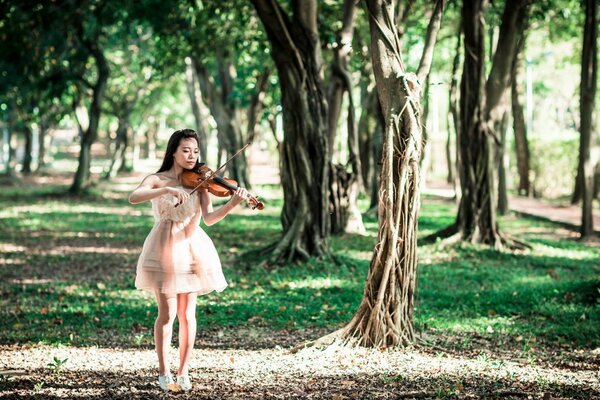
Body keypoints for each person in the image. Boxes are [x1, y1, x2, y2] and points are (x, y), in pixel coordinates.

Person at [129, 129, 248, 392]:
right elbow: (134, 196)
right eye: (186, 150)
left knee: (187, 314)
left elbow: (209, 218)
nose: (192, 156)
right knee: (167, 314)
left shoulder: (202, 182)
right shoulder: (157, 179)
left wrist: (232, 204)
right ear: (173, 151)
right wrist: (169, 188)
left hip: (193, 247)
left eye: (195, 151)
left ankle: (183, 371)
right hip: (163, 247)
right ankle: (163, 371)